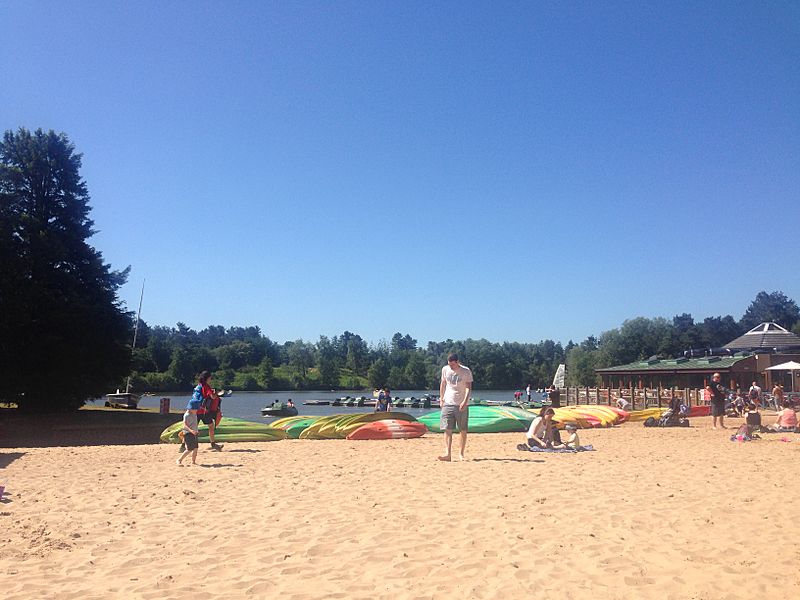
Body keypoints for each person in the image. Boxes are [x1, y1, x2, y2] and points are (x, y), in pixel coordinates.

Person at [438, 353, 473, 461]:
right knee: (447, 429)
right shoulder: (445, 369)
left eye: (452, 365)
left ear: (457, 362)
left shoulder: (466, 371)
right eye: (449, 365)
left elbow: (468, 387)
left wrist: (464, 401)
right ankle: (448, 454)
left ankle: (461, 454)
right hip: (448, 402)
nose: (451, 367)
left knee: (462, 430)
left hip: (461, 403)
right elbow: (443, 383)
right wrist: (441, 397)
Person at [194, 371, 223, 451]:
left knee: (192, 428)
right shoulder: (206, 386)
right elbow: (213, 397)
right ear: (207, 378)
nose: (211, 379)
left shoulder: (198, 386)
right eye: (210, 378)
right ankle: (213, 444)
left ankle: (183, 446)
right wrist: (216, 392)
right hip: (203, 411)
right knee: (211, 426)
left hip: (195, 410)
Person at [177, 399, 201, 466]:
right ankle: (179, 460)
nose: (197, 410)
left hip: (194, 433)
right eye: (195, 409)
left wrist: (196, 430)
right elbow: (184, 425)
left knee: (196, 448)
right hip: (188, 433)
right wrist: (191, 431)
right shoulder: (187, 415)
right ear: (191, 408)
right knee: (189, 449)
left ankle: (193, 462)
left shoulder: (194, 413)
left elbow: (195, 424)